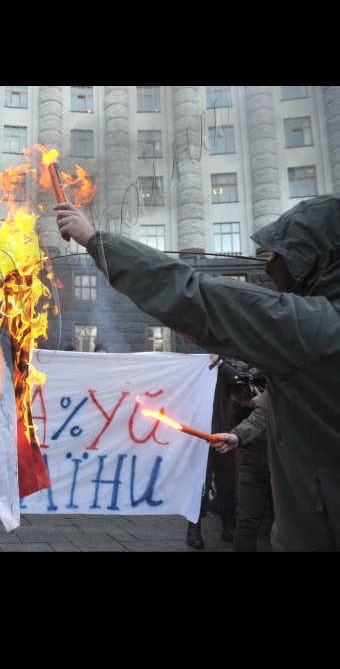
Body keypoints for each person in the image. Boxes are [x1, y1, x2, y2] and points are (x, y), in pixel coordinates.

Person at [56, 194, 340, 552]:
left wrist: (95, 241)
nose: (269, 261)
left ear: (310, 259)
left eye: (279, 253)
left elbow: (196, 296)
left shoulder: (318, 329)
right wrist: (243, 432)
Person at [187, 356, 254, 550]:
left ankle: (228, 528)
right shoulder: (199, 372)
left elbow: (240, 382)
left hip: (224, 436)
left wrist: (221, 365)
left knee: (226, 485)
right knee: (201, 486)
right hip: (201, 438)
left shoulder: (229, 373)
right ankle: (194, 529)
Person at [214, 393, 273, 553]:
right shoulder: (273, 383)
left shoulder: (285, 381)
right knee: (247, 523)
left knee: (287, 526)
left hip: (282, 465)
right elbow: (260, 416)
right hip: (253, 461)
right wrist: (237, 435)